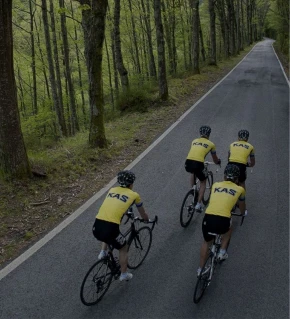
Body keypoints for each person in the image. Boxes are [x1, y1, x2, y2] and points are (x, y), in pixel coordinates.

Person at [92, 170, 149, 281]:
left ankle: (103, 252)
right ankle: (124, 274)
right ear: (131, 184)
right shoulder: (134, 195)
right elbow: (142, 212)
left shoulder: (112, 190)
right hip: (110, 228)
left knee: (107, 236)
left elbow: (115, 205)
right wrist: (146, 219)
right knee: (124, 247)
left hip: (96, 226)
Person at [197, 164, 246, 277]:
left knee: (206, 242)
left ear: (224, 176)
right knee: (229, 229)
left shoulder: (215, 185)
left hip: (208, 216)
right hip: (223, 219)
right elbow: (242, 206)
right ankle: (222, 252)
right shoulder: (240, 189)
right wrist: (243, 213)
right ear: (237, 179)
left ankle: (200, 270)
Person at [185, 125, 221, 212]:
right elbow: (215, 159)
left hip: (188, 162)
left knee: (193, 172)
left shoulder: (194, 141)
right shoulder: (211, 144)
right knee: (203, 181)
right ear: (209, 134)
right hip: (198, 163)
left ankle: (193, 189)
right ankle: (198, 204)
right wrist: (218, 162)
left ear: (200, 133)